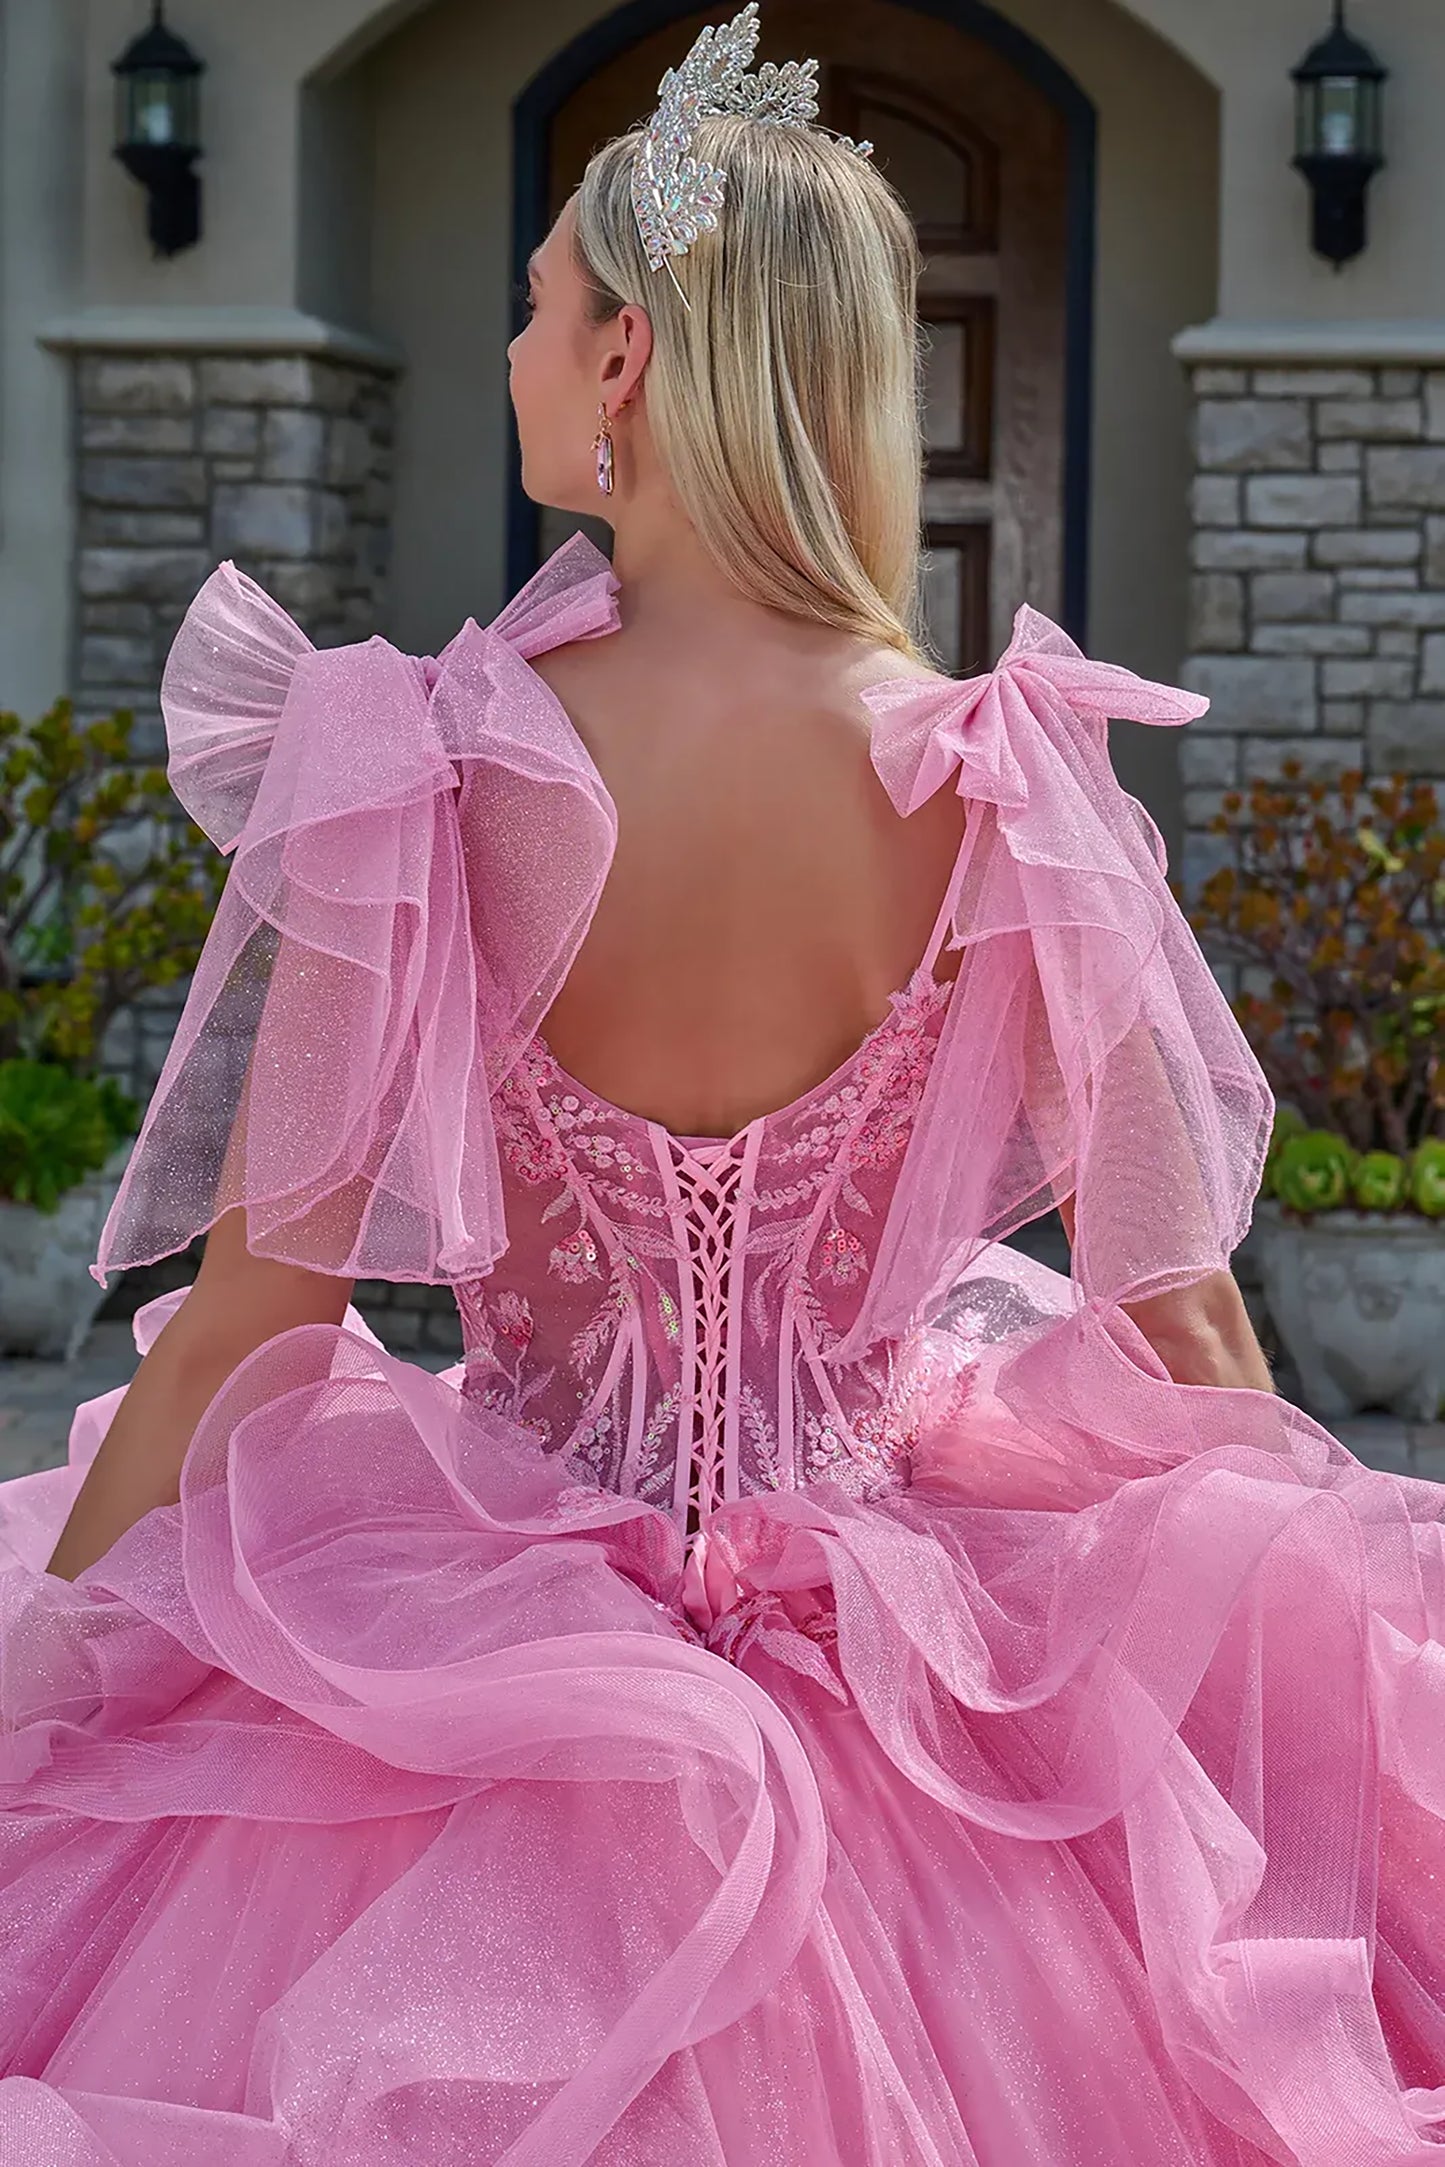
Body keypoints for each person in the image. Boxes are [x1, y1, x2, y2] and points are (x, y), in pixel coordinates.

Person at [2, 7, 1443, 2160]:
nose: (512, 352)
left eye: (534, 308)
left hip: (477, 1663)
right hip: (921, 1677)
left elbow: (247, 1327)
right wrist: (1327, 1683)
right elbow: (1187, 1311)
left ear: (624, 365)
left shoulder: (427, 757)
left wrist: (50, 1676)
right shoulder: (997, 770)